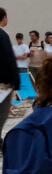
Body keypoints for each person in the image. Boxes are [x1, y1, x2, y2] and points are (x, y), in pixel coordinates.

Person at [0, 8, 21, 147]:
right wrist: (15, 80)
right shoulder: (2, 35)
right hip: (3, 83)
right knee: (2, 113)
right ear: (4, 17)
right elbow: (8, 58)